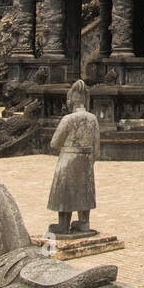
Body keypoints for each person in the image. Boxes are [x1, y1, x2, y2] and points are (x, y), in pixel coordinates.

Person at [47, 80, 99, 235]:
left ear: (70, 101)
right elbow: (97, 145)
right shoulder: (92, 119)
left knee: (65, 191)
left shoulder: (68, 119)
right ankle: (84, 223)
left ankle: (63, 224)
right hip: (86, 158)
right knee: (85, 190)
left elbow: (54, 143)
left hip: (68, 159)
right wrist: (90, 158)